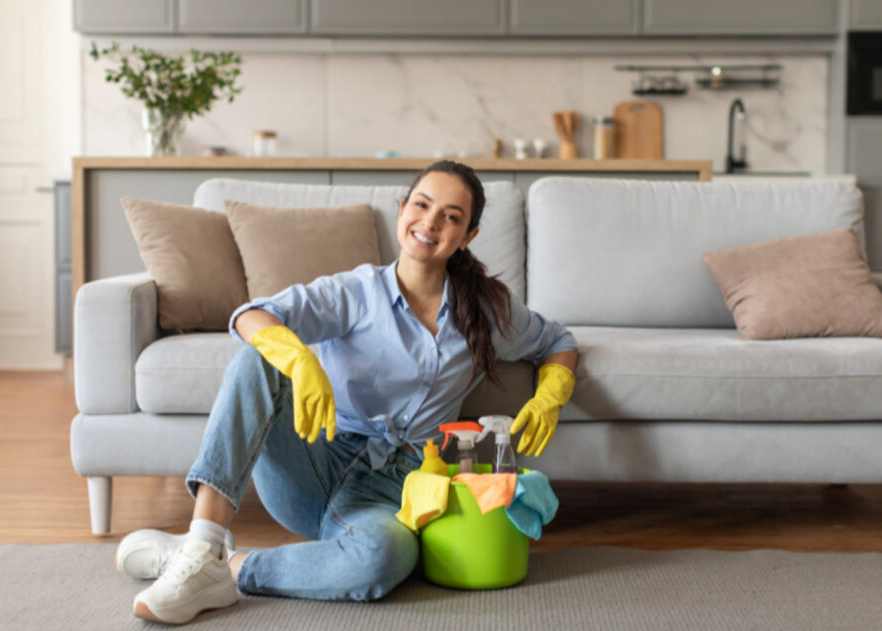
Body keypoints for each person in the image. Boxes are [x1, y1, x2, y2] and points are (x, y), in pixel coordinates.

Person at [115, 160, 579, 625]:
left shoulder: (488, 311)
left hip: (394, 491)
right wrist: (299, 358)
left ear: (468, 236)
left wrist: (549, 397)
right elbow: (249, 315)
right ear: (402, 210)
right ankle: (202, 542)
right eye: (422, 205)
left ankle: (225, 567)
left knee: (383, 560)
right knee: (258, 357)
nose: (431, 222)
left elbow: (558, 341)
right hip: (313, 463)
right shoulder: (357, 292)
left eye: (451, 216)